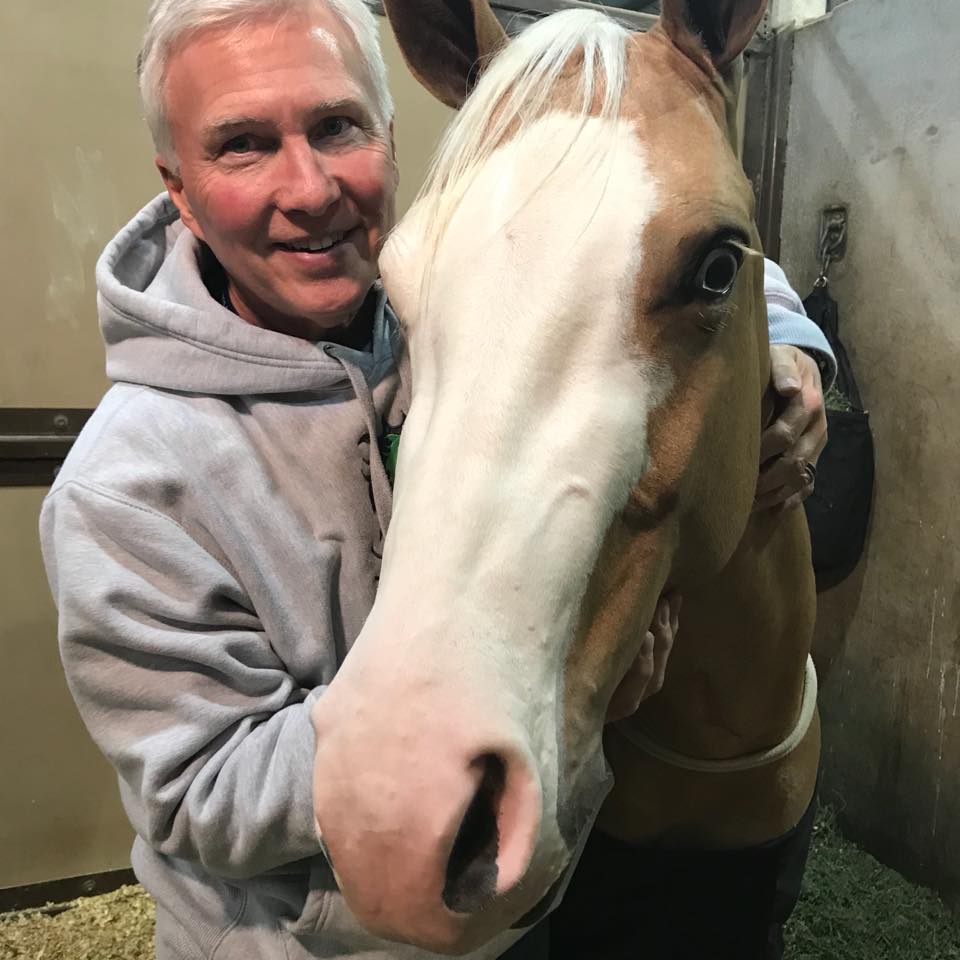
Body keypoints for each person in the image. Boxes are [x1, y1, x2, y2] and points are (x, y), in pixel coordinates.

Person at [39, 1, 835, 958]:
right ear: (178, 186)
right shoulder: (123, 484)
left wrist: (786, 342)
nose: (309, 188)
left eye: (337, 127)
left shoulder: (433, 309)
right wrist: (445, 729)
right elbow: (197, 789)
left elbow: (648, 238)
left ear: (389, 137)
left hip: (518, 908)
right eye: (243, 145)